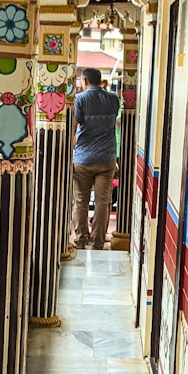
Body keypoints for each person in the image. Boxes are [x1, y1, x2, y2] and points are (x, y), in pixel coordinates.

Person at [72, 66, 120, 250]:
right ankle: (98, 241)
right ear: (100, 80)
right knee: (103, 201)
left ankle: (81, 239)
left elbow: (74, 126)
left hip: (83, 159)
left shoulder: (80, 99)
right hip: (107, 158)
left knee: (81, 200)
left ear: (84, 81)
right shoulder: (113, 99)